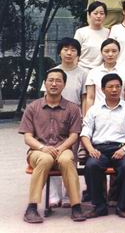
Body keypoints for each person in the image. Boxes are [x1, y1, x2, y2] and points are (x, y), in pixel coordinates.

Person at [19, 70, 86, 223]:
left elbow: (74, 135)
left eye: (58, 81)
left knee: (67, 160)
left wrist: (60, 148)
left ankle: (76, 206)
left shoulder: (72, 108)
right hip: (38, 150)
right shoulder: (33, 107)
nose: (54, 84)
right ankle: (32, 207)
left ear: (64, 84)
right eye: (50, 80)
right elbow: (27, 137)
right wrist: (43, 148)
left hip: (63, 149)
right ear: (45, 83)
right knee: (45, 159)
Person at [80, 73, 125, 218]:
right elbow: (85, 133)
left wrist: (124, 149)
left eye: (117, 86)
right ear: (102, 89)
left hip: (122, 148)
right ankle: (99, 206)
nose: (114, 90)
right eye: (110, 87)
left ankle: (121, 205)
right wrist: (90, 149)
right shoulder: (94, 109)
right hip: (99, 149)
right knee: (91, 166)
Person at [40, 38, 87, 208]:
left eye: (73, 50)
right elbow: (44, 96)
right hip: (53, 119)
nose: (69, 53)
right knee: (52, 155)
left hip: (74, 120)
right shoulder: (53, 72)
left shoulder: (83, 73)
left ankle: (69, 195)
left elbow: (85, 98)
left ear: (78, 54)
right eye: (65, 49)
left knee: (70, 159)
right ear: (59, 52)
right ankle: (54, 196)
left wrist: (83, 118)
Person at [84, 38, 125, 113]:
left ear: (119, 52)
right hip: (99, 113)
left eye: (114, 51)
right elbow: (90, 98)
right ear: (101, 52)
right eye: (106, 51)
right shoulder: (93, 72)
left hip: (120, 113)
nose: (110, 54)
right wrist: (87, 116)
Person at [74, 1, 110, 71]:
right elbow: (75, 53)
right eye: (95, 13)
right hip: (82, 69)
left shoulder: (109, 32)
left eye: (102, 13)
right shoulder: (81, 32)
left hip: (102, 70)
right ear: (89, 14)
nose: (98, 16)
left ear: (105, 15)